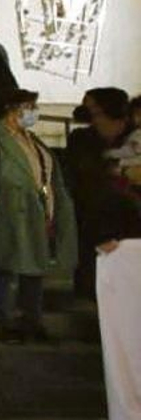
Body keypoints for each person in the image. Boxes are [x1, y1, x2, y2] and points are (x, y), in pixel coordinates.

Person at [0, 90, 76, 344]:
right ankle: (2, 321)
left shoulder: (31, 139)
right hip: (7, 211)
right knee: (3, 267)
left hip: (35, 210)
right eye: (29, 106)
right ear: (13, 109)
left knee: (33, 268)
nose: (33, 112)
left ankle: (32, 321)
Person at [65, 86, 135, 297]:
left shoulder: (134, 137)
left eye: (96, 111)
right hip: (92, 214)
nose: (91, 117)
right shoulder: (82, 138)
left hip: (130, 219)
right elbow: (80, 172)